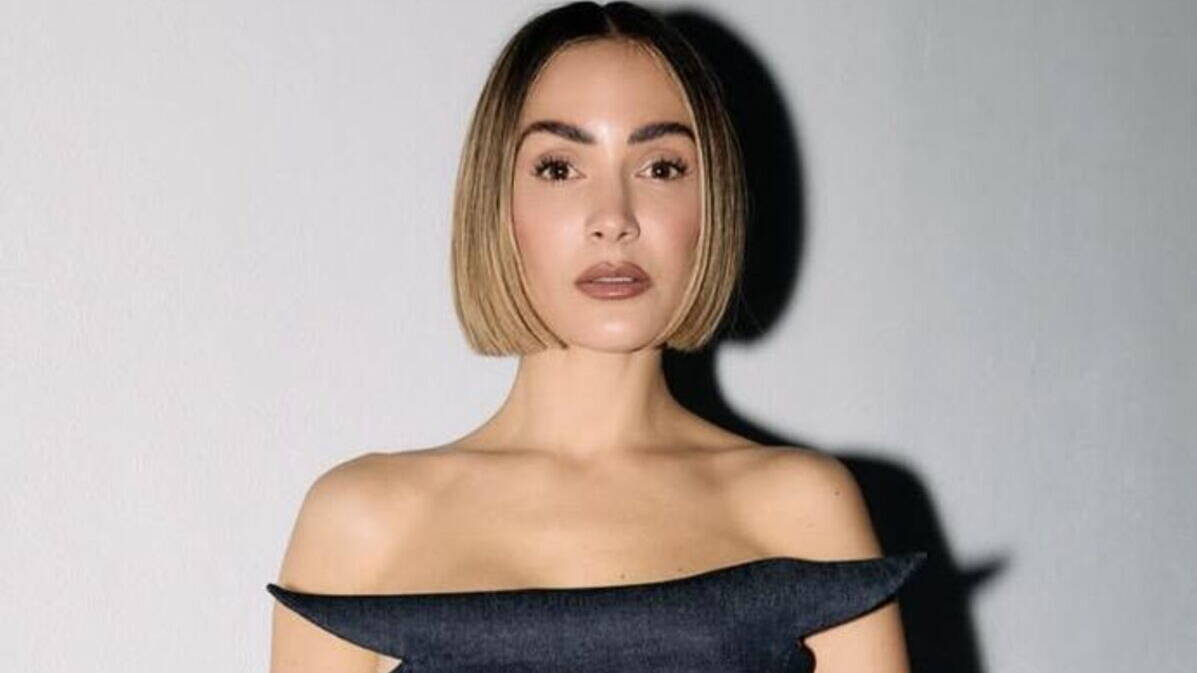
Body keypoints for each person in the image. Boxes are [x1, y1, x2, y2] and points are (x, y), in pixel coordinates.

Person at [266, 3, 925, 672]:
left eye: (661, 167)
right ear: (496, 201)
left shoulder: (800, 506)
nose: (613, 218)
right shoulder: (364, 520)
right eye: (559, 168)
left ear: (712, 203)